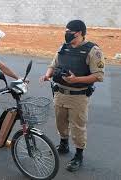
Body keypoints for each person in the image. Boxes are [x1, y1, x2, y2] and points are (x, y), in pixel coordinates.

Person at [39, 20, 105, 172]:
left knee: (77, 127)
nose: (66, 34)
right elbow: (53, 65)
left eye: (70, 31)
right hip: (60, 93)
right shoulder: (63, 47)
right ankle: (63, 145)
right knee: (60, 121)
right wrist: (47, 75)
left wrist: (77, 80)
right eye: (66, 30)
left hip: (78, 96)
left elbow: (98, 76)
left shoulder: (93, 51)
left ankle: (78, 155)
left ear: (80, 33)